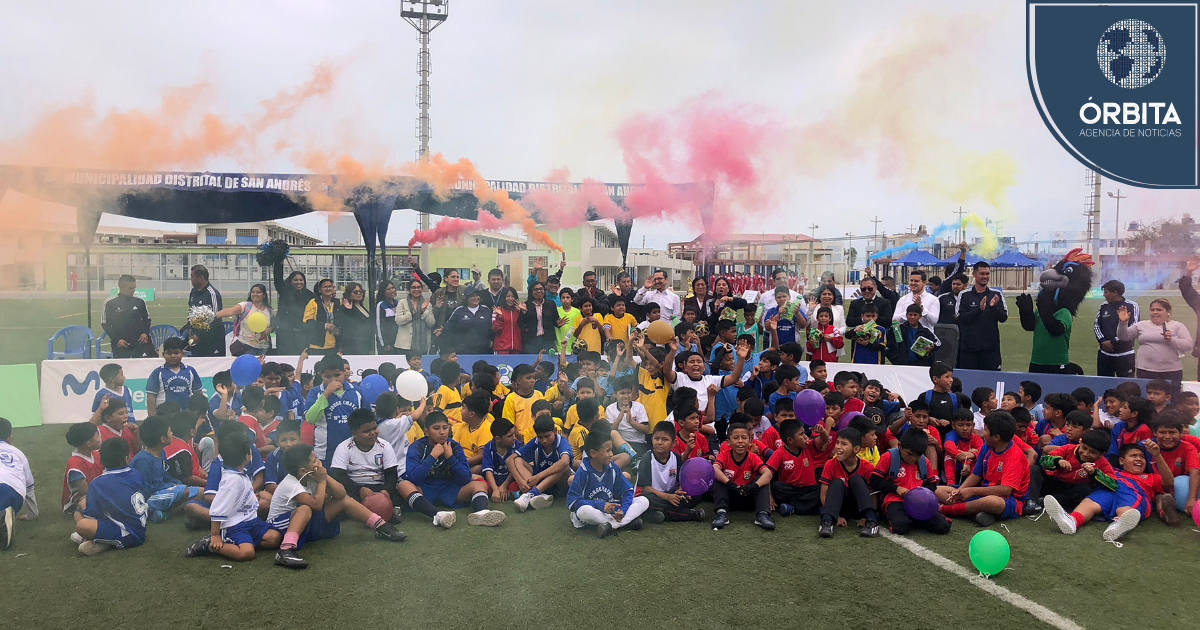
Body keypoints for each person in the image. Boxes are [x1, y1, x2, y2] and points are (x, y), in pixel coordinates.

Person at [267, 443, 407, 569]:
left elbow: (341, 494)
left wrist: (325, 477)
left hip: (304, 525)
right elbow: (316, 505)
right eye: (314, 461)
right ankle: (285, 550)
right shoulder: (290, 484)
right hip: (280, 526)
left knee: (344, 500)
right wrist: (322, 482)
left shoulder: (312, 475)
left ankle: (382, 527)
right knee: (305, 508)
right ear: (303, 471)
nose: (318, 463)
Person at [1042, 441, 1173, 544]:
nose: (1139, 459)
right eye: (1133, 456)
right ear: (1121, 461)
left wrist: (1157, 455)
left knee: (1127, 507)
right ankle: (1072, 521)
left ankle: (1118, 525)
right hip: (1108, 492)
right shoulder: (1112, 470)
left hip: (1133, 494)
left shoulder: (1150, 477)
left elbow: (1169, 482)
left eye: (1142, 457)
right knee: (1090, 502)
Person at [185, 432, 283, 561]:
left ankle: (241, 543)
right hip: (235, 526)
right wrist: (215, 535)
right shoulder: (231, 481)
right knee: (246, 553)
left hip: (251, 521)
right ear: (247, 456)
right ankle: (209, 545)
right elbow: (218, 508)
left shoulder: (240, 472)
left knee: (275, 538)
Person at [400, 411, 506, 528]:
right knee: (403, 485)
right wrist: (432, 456)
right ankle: (437, 515)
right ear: (426, 432)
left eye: (445, 428)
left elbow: (465, 478)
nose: (442, 432)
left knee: (480, 485)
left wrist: (450, 457)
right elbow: (414, 478)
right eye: (436, 428)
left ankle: (482, 513)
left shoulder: (454, 446)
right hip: (425, 489)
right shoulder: (417, 447)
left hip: (450, 489)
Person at [936, 411, 1030, 526]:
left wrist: (971, 491)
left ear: (996, 437)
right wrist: (960, 490)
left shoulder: (1015, 456)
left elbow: (1005, 490)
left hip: (1010, 500)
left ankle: (945, 509)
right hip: (983, 491)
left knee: (993, 502)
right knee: (937, 490)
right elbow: (976, 475)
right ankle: (976, 512)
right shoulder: (986, 447)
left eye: (985, 430)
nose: (982, 433)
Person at [70, 437, 146, 556]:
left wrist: (81, 508)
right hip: (139, 526)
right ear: (127, 458)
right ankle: (102, 540)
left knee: (82, 521)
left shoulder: (98, 482)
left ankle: (92, 539)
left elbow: (91, 515)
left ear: (101, 460)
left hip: (129, 534)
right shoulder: (136, 473)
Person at [567, 430, 650, 537]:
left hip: (611, 509)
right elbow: (573, 502)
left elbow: (628, 491)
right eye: (608, 451)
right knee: (583, 511)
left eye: (611, 450)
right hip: (594, 510)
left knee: (643, 501)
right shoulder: (583, 471)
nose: (611, 454)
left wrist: (623, 510)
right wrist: (600, 505)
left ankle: (611, 525)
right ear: (593, 453)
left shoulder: (612, 467)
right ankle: (626, 522)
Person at [870, 429, 951, 535]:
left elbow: (932, 484)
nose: (913, 458)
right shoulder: (888, 457)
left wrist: (920, 494)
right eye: (909, 454)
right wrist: (896, 488)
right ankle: (908, 519)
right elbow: (874, 480)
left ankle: (912, 518)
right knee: (900, 527)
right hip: (894, 500)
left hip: (918, 502)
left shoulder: (924, 461)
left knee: (943, 527)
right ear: (900, 445)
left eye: (917, 455)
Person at [328, 409, 401, 517]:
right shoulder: (344, 447)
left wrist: (385, 492)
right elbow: (338, 476)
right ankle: (386, 512)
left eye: (374, 428)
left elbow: (391, 474)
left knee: (399, 493)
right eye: (366, 431)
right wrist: (360, 490)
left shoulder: (385, 446)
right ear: (354, 433)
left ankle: (365, 511)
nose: (373, 433)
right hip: (354, 489)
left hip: (379, 487)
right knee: (341, 497)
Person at [1028, 429, 1115, 514]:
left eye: (1092, 452)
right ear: (1080, 442)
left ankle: (1045, 502)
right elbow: (1043, 460)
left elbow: (1113, 484)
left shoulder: (1103, 463)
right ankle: (1032, 502)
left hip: (1070, 491)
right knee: (1033, 469)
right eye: (1084, 448)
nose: (1085, 454)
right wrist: (1057, 461)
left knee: (1086, 489)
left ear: (1102, 454)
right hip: (1052, 481)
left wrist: (1095, 473)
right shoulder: (1068, 448)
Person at [636, 422, 705, 523]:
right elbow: (645, 488)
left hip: (669, 494)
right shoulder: (647, 458)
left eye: (664, 439)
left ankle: (656, 514)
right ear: (652, 439)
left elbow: (680, 482)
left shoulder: (676, 458)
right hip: (652, 495)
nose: (659, 442)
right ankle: (689, 514)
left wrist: (681, 492)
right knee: (647, 499)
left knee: (695, 493)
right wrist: (667, 497)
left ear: (673, 443)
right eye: (656, 438)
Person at [711, 423, 775, 530]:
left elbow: (767, 473)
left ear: (750, 441)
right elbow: (714, 469)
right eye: (736, 438)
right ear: (728, 442)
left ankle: (762, 515)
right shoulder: (724, 455)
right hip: (730, 498)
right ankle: (721, 513)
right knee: (718, 479)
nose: (740, 441)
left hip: (748, 497)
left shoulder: (753, 457)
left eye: (744, 438)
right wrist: (730, 484)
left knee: (762, 479)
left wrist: (753, 486)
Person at [304, 354, 363, 468]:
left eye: (337, 375)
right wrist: (326, 393)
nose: (333, 380)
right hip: (325, 453)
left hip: (354, 452)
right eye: (328, 376)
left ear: (344, 373)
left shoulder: (356, 392)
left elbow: (366, 419)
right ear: (321, 375)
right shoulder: (315, 392)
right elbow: (310, 419)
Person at [818, 427, 878, 537]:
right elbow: (823, 494)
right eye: (837, 442)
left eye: (844, 444)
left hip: (858, 507)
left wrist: (866, 515)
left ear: (856, 449)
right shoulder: (830, 464)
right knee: (837, 482)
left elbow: (872, 494)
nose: (838, 447)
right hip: (838, 507)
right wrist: (836, 516)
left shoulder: (867, 467)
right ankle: (826, 521)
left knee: (856, 478)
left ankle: (871, 521)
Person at [1116, 298, 1193, 384]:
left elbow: (1188, 345)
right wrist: (1123, 322)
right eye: (1152, 310)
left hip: (1171, 371)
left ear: (1168, 311)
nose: (1155, 312)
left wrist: (1171, 340)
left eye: (1159, 310)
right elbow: (1123, 336)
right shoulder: (1141, 325)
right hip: (1145, 370)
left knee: (1171, 392)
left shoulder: (1177, 326)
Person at [511, 414, 573, 510]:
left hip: (558, 483)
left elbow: (565, 462)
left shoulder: (562, 441)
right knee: (518, 460)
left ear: (555, 431)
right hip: (540, 481)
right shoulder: (535, 442)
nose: (544, 440)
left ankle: (531, 494)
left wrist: (538, 477)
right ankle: (537, 493)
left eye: (547, 436)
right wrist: (520, 481)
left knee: (564, 467)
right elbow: (511, 459)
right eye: (540, 437)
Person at [955, 261, 1007, 370]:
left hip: (991, 349)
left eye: (987, 274)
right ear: (974, 274)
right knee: (969, 379)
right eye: (982, 273)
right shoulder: (964, 295)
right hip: (969, 350)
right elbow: (960, 318)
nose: (985, 276)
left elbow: (1003, 318)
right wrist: (979, 309)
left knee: (992, 378)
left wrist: (993, 307)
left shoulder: (996, 294)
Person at [145, 337, 203, 417]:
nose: (173, 356)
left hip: (187, 416)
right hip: (164, 416)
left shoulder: (190, 371)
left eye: (176, 353)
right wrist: (152, 418)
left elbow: (198, 394)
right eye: (169, 353)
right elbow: (151, 397)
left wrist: (201, 414)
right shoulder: (157, 373)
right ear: (163, 354)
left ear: (182, 354)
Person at [1092, 280, 1140, 377]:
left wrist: (1113, 342)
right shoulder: (1104, 306)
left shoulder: (1131, 306)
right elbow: (1097, 325)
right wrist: (1102, 341)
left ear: (1115, 292)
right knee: (1103, 383)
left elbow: (1133, 327)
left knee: (1126, 384)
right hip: (1104, 354)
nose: (1104, 295)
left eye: (1106, 292)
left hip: (1125, 355)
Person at [101, 274, 155, 358]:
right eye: (130, 288)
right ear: (121, 287)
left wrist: (145, 333)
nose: (133, 290)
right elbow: (105, 323)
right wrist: (117, 340)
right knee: (123, 365)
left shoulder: (140, 301)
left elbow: (147, 319)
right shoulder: (109, 303)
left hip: (140, 342)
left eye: (134, 288)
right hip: (121, 344)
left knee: (149, 362)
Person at [214, 283, 274, 356]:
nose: (255, 294)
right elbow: (230, 311)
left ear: (264, 295)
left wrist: (270, 329)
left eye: (258, 292)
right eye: (253, 292)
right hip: (246, 347)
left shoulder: (269, 311)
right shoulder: (245, 306)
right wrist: (213, 316)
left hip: (263, 348)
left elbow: (273, 325)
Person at [272, 264, 315, 355]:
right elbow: (278, 280)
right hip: (286, 335)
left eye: (301, 280)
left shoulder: (310, 295)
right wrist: (279, 262)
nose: (298, 282)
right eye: (295, 280)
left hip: (303, 336)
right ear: (290, 281)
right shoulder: (285, 291)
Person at [185, 264, 226, 357]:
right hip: (196, 338)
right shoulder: (193, 292)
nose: (190, 279)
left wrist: (200, 335)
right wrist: (189, 329)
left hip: (212, 339)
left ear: (201, 277)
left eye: (192, 276)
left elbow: (216, 319)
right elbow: (191, 312)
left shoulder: (212, 294)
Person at [62, 422, 102, 514]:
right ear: (89, 443)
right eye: (97, 435)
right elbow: (85, 491)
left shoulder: (96, 454)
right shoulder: (75, 463)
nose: (100, 438)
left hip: (96, 491)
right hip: (78, 498)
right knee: (86, 501)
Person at [481, 418, 522, 503]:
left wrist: (504, 486)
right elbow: (488, 470)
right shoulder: (488, 447)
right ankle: (502, 493)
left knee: (522, 483)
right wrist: (495, 489)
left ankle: (508, 492)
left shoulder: (516, 444)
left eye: (514, 433)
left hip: (510, 480)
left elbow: (515, 469)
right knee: (480, 483)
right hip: (493, 482)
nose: (514, 437)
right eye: (510, 436)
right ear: (498, 439)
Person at [394, 278, 436, 357]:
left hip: (422, 344)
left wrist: (424, 311)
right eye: (413, 287)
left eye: (418, 287)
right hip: (404, 345)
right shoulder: (402, 302)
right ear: (409, 290)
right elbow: (398, 320)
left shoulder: (427, 304)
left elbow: (431, 323)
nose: (416, 290)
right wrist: (412, 313)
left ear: (422, 289)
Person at [444, 289, 494, 354]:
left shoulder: (486, 310)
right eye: (472, 296)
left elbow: (492, 327)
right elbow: (448, 328)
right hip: (464, 350)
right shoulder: (459, 310)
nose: (475, 298)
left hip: (484, 349)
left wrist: (491, 339)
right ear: (466, 298)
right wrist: (455, 344)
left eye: (477, 295)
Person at [332, 282, 373, 355]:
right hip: (352, 346)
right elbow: (341, 322)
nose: (359, 293)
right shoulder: (345, 307)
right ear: (349, 294)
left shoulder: (361, 307)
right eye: (355, 292)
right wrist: (349, 310)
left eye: (360, 291)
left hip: (365, 344)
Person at [521, 280, 560, 354]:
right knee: (532, 360)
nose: (539, 291)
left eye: (541, 289)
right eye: (536, 289)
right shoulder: (526, 305)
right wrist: (524, 311)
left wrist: (558, 324)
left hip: (547, 341)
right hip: (531, 341)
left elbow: (555, 321)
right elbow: (521, 323)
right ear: (531, 291)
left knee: (546, 360)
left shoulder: (550, 304)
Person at [303, 278, 339, 351]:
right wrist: (325, 325)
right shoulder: (313, 302)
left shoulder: (338, 302)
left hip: (335, 345)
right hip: (317, 346)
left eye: (330, 286)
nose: (328, 289)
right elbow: (308, 322)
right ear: (320, 290)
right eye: (325, 287)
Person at [374, 280, 400, 354]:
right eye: (388, 289)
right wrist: (384, 344)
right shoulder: (381, 305)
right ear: (383, 292)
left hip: (398, 343)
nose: (392, 291)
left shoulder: (398, 303)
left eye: (392, 288)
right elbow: (378, 326)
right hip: (386, 346)